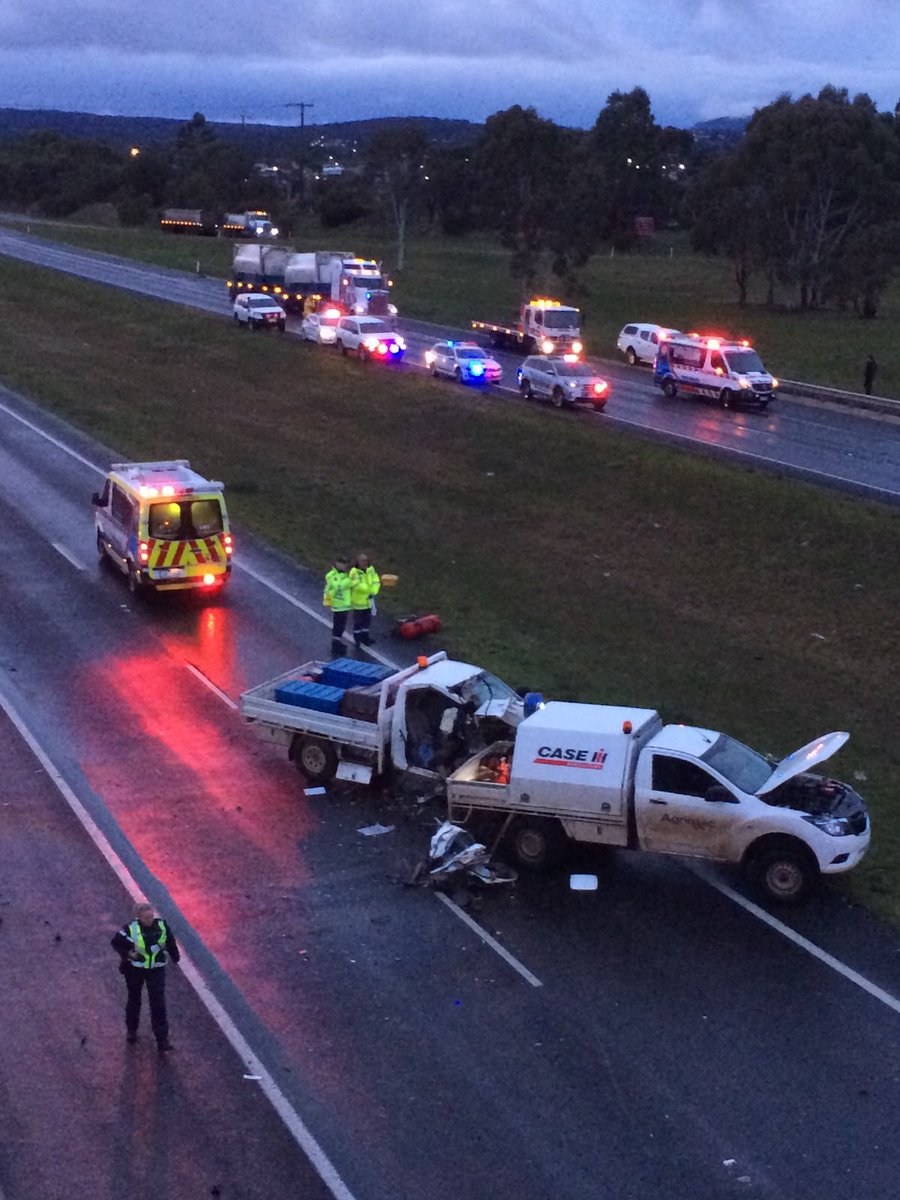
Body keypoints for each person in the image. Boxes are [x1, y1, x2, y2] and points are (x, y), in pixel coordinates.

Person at [111, 901, 180, 1052]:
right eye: (146, 918)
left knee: (158, 1003)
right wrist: (128, 954)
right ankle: (132, 1031)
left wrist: (175, 956)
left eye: (151, 916)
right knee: (134, 1000)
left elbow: (170, 940)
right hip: (135, 970)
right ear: (138, 917)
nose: (150, 920)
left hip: (156, 969)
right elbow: (116, 943)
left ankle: (162, 1040)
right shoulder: (130, 929)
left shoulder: (161, 925)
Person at [349, 552, 381, 648]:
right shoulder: (354, 572)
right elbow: (357, 585)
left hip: (369, 602)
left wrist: (374, 591)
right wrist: (369, 590)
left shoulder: (371, 570)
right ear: (358, 562)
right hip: (359, 602)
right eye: (362, 561)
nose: (364, 562)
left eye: (365, 560)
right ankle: (357, 640)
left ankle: (365, 638)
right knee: (358, 623)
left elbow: (376, 581)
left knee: (367, 622)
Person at [323, 556, 353, 655]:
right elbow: (338, 586)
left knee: (341, 625)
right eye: (344, 564)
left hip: (344, 604)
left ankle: (337, 641)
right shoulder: (332, 575)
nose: (346, 567)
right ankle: (335, 644)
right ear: (338, 564)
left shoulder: (344, 575)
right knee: (338, 625)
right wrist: (349, 581)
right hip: (338, 604)